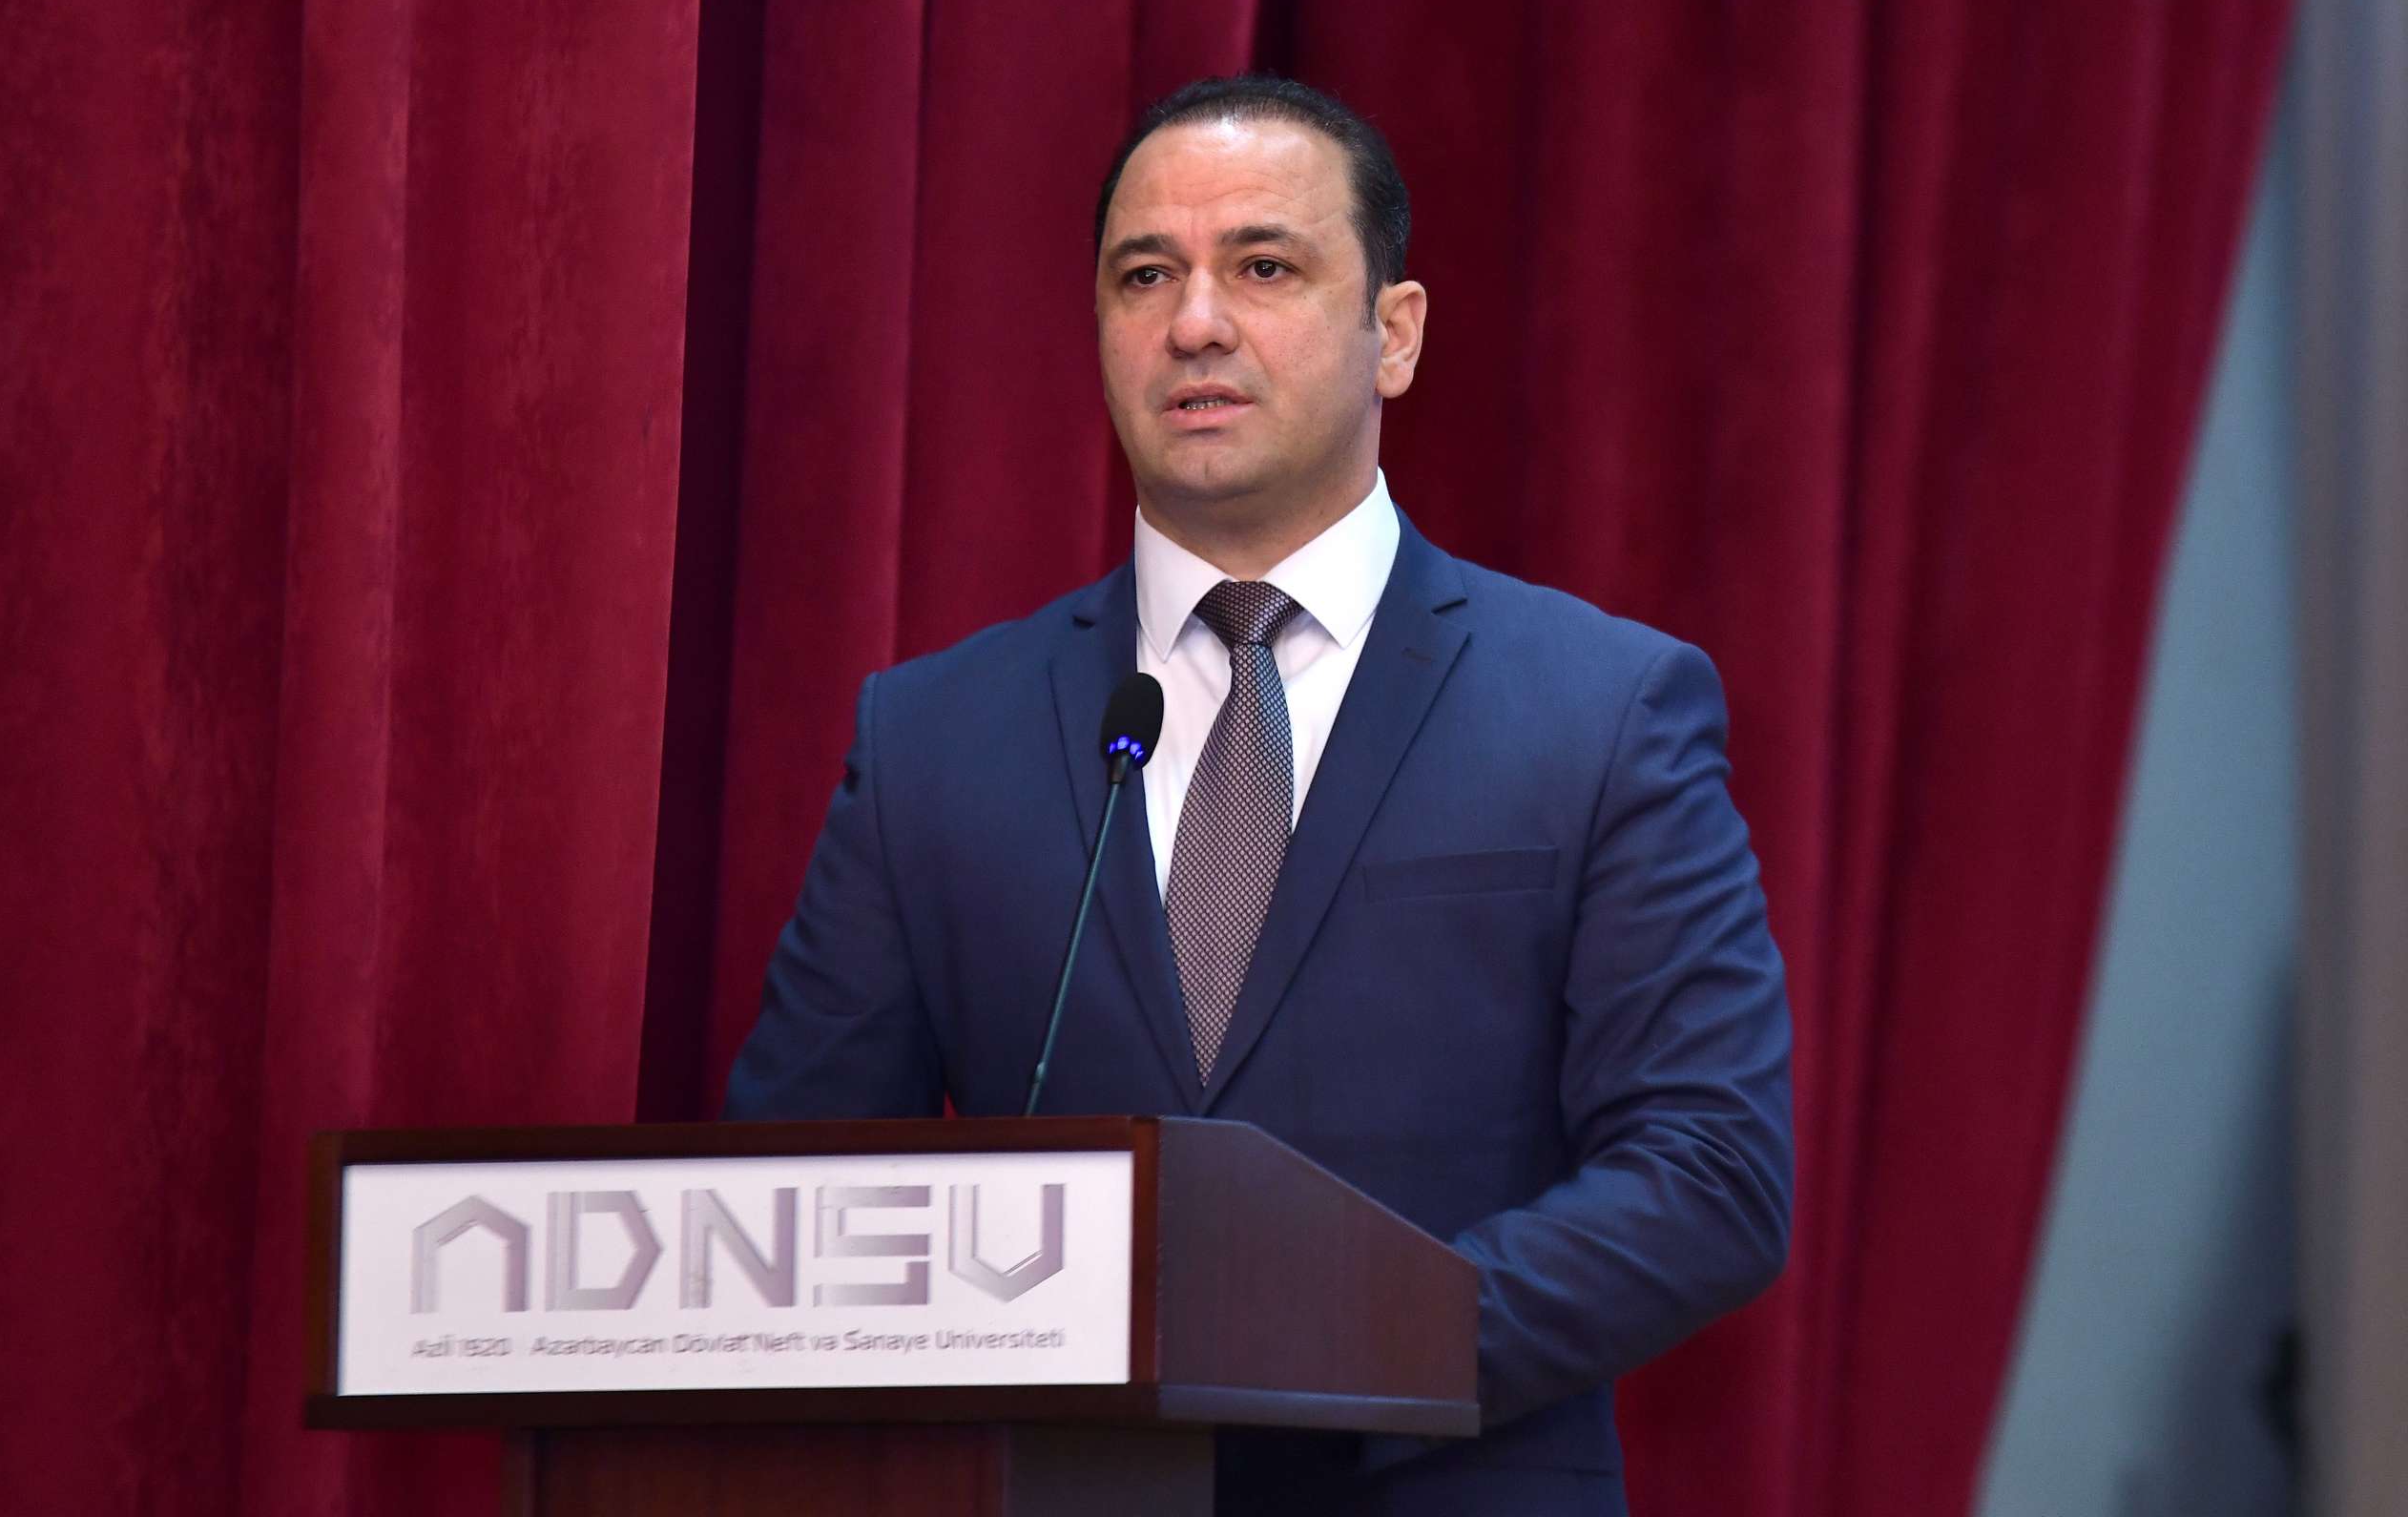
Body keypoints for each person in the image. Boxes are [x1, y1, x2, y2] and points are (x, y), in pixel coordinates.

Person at [722, 74, 1792, 1516]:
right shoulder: (934, 738)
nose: (1196, 324)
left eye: (1265, 267)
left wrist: (1331, 1351)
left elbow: (1709, 1172)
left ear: (1393, 335)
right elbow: (793, 1196)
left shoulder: (1600, 709)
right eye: (1144, 276)